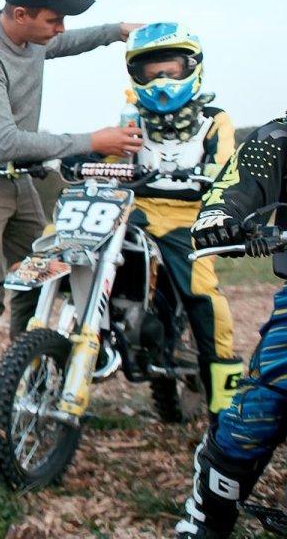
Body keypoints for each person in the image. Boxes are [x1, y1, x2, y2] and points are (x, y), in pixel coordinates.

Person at [0, 0, 143, 446]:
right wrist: (93, 140)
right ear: (20, 14)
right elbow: (6, 141)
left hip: (19, 178)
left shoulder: (34, 39)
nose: (60, 29)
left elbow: (72, 41)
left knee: (40, 278)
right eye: (53, 19)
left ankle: (20, 383)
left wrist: (118, 31)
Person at [121, 23, 242, 421]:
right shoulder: (131, 118)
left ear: (191, 67)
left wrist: (216, 177)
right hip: (136, 212)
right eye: (151, 71)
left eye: (170, 70)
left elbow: (226, 164)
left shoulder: (214, 120)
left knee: (203, 295)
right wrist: (78, 158)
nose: (161, 80)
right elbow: (111, 156)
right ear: (136, 75)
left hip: (189, 219)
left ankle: (225, 407)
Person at [176, 112, 287, 538]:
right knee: (257, 411)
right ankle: (206, 520)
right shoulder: (279, 134)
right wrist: (221, 214)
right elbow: (241, 178)